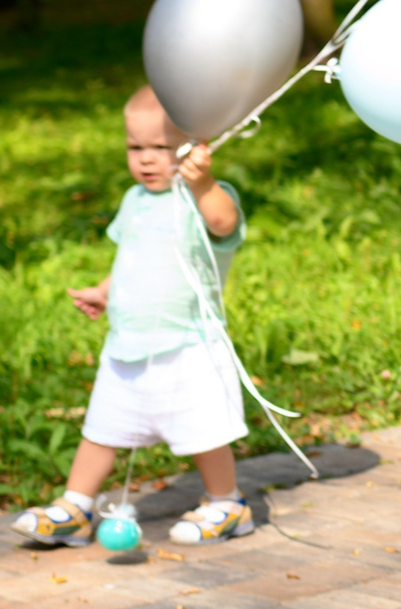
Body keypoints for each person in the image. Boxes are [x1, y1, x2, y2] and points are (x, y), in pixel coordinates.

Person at [14, 85, 256, 547]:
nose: (146, 159)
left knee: (203, 431)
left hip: (188, 344)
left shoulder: (203, 197)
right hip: (127, 341)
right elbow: (132, 256)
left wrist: (203, 182)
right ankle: (76, 508)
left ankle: (227, 504)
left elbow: (224, 224)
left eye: (162, 148)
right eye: (135, 147)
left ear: (198, 149)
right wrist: (105, 292)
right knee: (101, 429)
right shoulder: (134, 201)